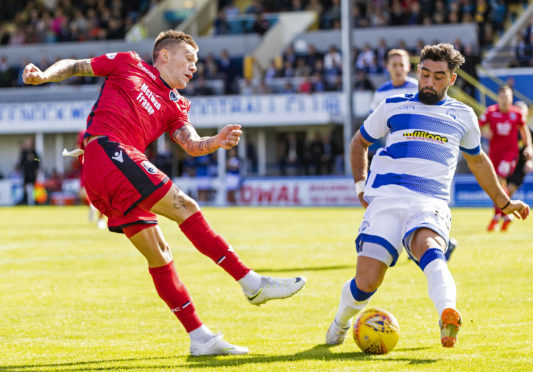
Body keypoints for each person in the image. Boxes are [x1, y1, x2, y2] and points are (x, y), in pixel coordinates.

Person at [22, 30, 305, 356]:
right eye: (189, 59)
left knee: (161, 254)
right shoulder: (128, 63)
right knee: (185, 205)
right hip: (108, 152)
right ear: (165, 56)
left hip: (111, 176)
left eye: (196, 63)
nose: (194, 67)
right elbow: (75, 65)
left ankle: (199, 337)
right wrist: (44, 76)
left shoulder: (177, 104)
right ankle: (251, 283)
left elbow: (191, 143)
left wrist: (217, 140)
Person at [325, 43, 530, 349]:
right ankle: (340, 322)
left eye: (438, 76)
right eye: (425, 74)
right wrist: (360, 185)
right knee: (367, 282)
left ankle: (447, 313)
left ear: (452, 79)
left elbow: (477, 160)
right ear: (418, 71)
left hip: (429, 201)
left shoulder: (463, 115)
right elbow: (359, 143)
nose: (429, 82)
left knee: (429, 247)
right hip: (386, 201)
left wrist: (502, 202)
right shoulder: (392, 104)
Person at [371, 48, 458, 260]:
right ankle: (427, 244)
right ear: (388, 68)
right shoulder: (380, 94)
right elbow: (377, 125)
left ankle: (434, 242)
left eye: (402, 65)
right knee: (400, 201)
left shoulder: (419, 87)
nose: (399, 69)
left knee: (416, 200)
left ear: (409, 68)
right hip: (395, 156)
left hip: (421, 153)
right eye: (395, 65)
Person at [479, 85, 533, 231]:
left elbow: (524, 130)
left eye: (507, 97)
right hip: (494, 155)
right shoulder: (490, 112)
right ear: (498, 98)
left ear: (511, 98)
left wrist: (529, 147)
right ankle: (504, 214)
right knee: (496, 184)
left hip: (510, 155)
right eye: (502, 97)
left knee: (500, 177)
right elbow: (477, 126)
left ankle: (498, 215)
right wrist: (484, 133)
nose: (505, 100)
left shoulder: (516, 114)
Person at [507, 101, 533, 202]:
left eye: (522, 112)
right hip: (507, 162)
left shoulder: (530, 131)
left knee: (510, 188)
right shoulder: (508, 127)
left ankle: (503, 211)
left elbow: (531, 147)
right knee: (502, 190)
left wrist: (530, 161)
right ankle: (502, 212)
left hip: (520, 164)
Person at [16, 137, 40, 205]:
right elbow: (21, 162)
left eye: (29, 142)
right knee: (25, 187)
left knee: (33, 187)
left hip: (33, 173)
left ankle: (35, 201)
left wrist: (33, 158)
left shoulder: (34, 152)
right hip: (26, 173)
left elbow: (38, 160)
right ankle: (25, 200)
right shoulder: (24, 152)